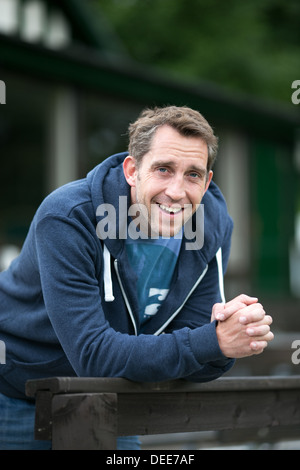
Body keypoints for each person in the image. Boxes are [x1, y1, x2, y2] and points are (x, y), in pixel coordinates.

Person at [0, 105, 273, 450]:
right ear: (132, 170)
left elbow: (194, 358)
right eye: (163, 169)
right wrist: (213, 342)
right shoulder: (69, 217)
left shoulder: (212, 227)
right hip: (17, 390)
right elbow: (94, 355)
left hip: (116, 392)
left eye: (192, 174)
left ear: (207, 182)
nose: (176, 191)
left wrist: (229, 337)